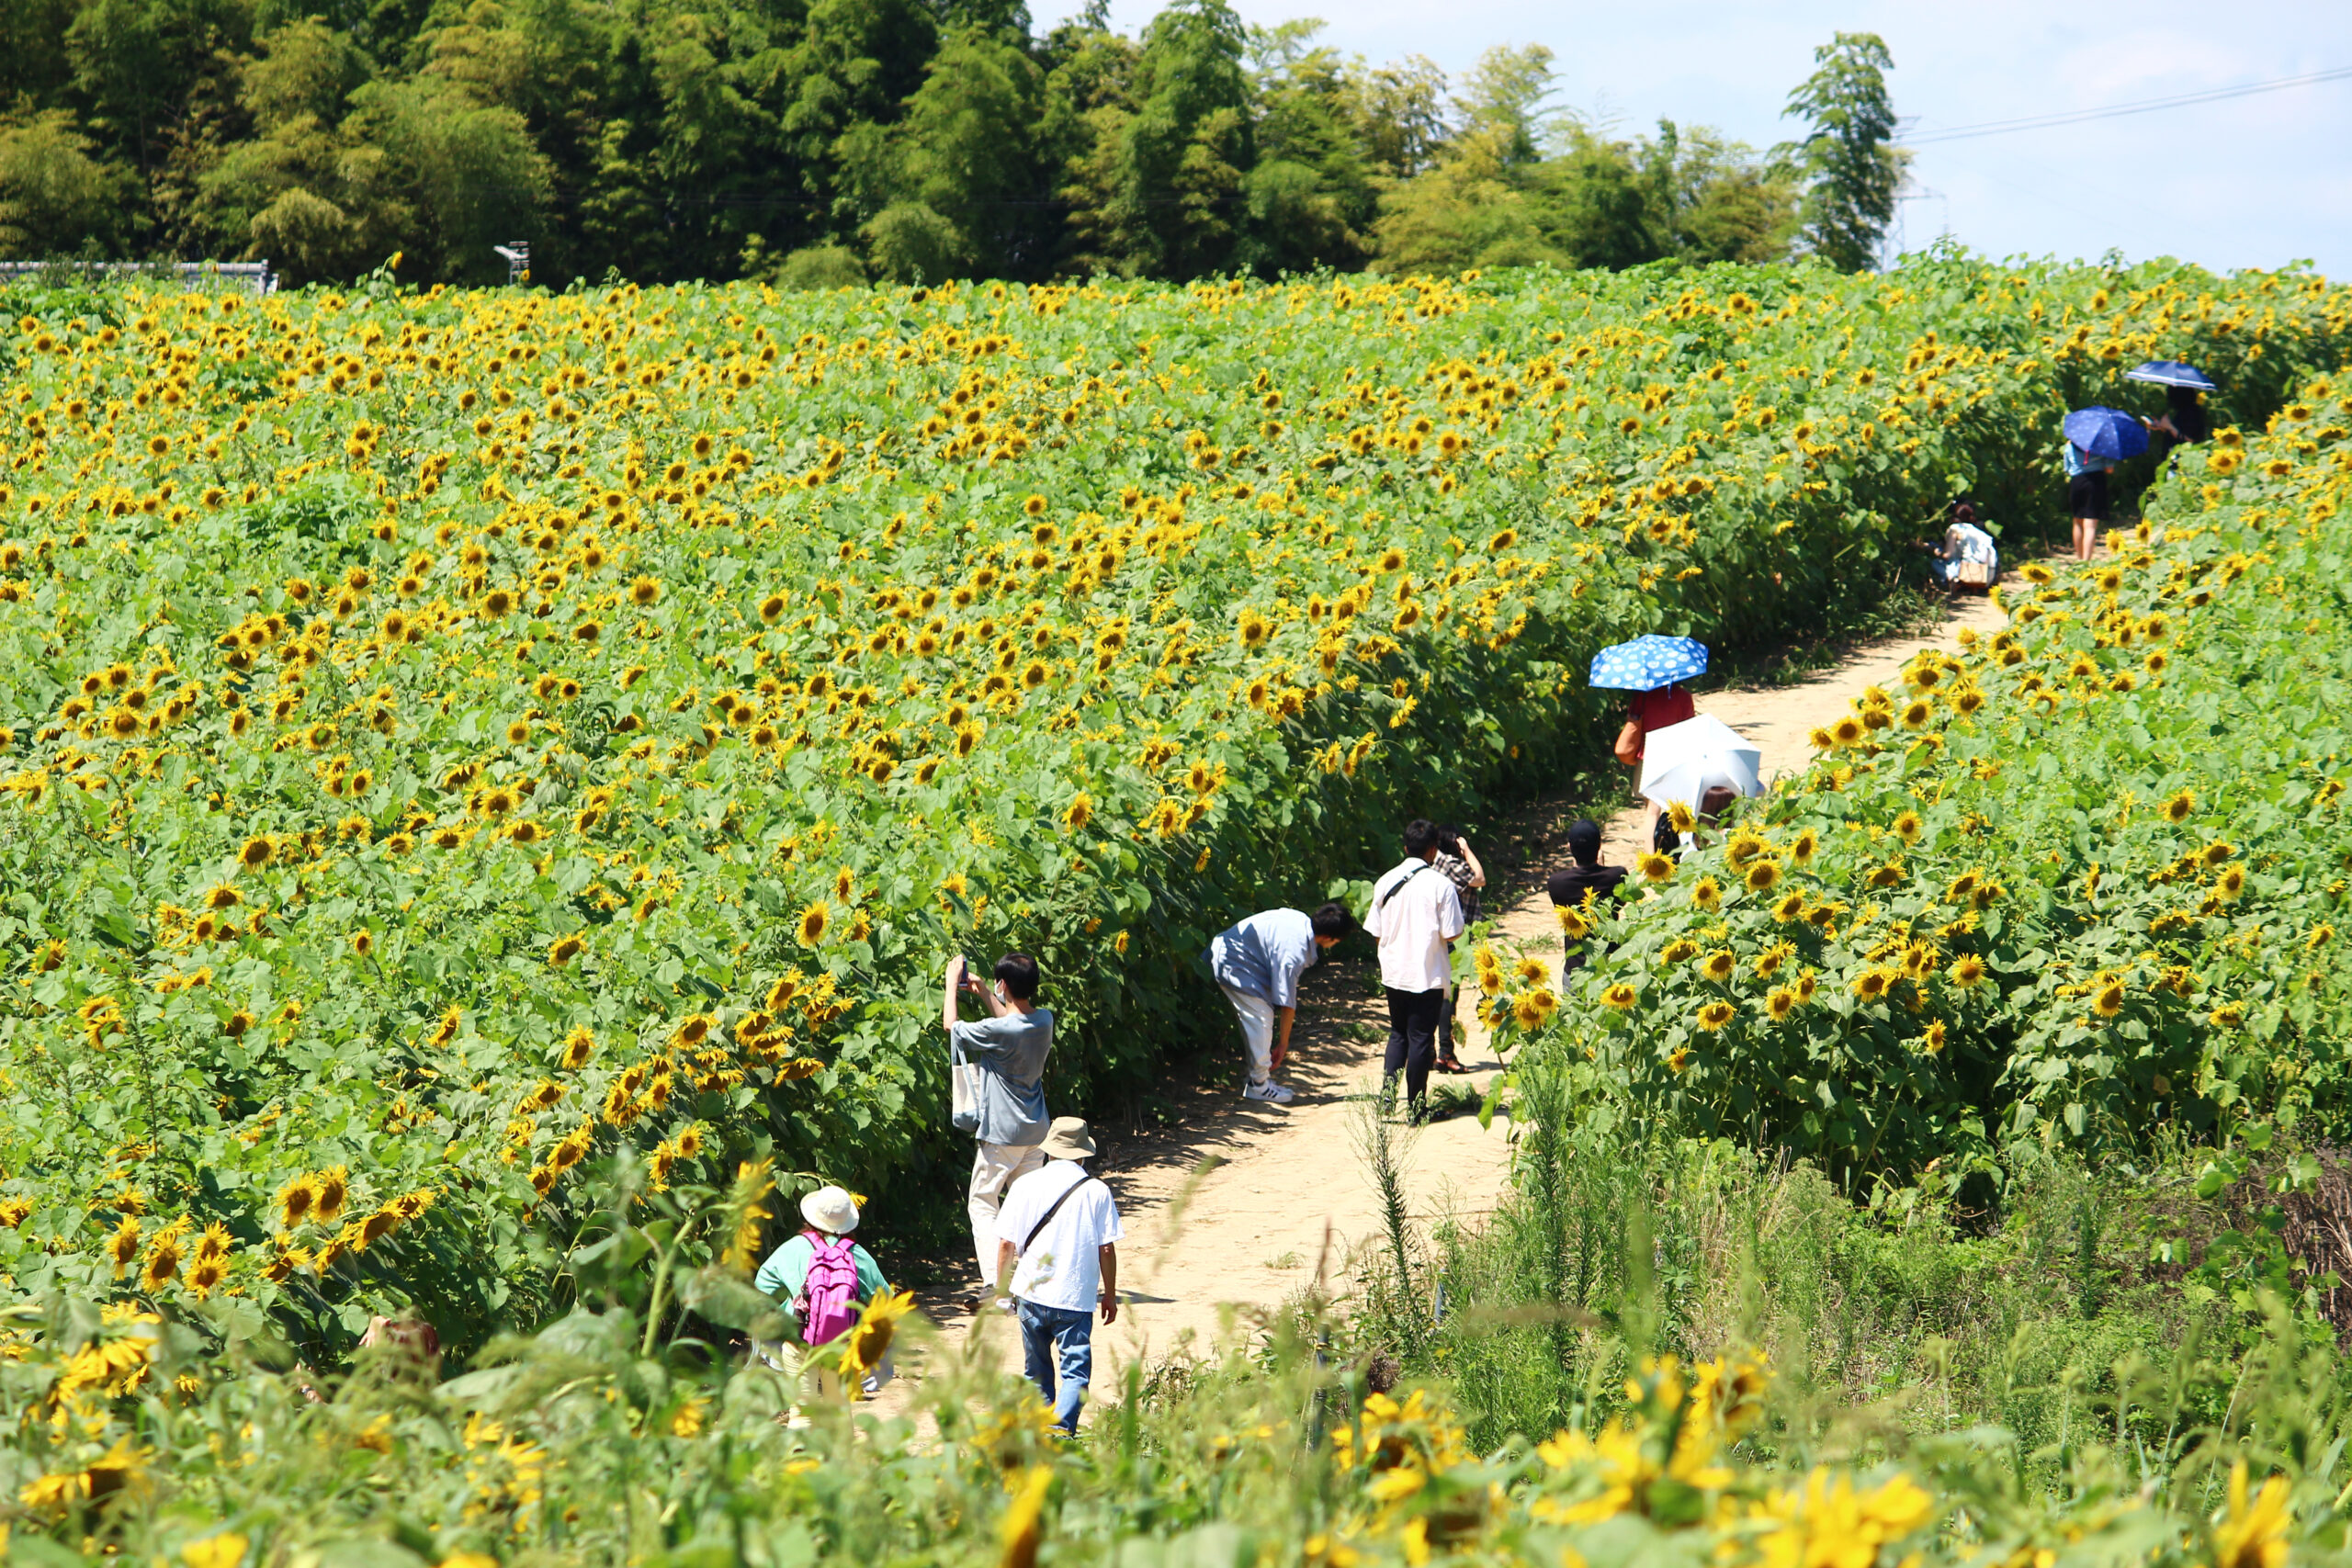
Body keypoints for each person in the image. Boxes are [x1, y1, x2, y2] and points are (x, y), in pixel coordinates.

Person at [994, 1116, 1122, 1436]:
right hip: (1074, 1297)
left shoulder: (1024, 1184)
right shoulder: (1097, 1191)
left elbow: (1006, 1243)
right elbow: (1106, 1249)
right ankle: (1060, 1429)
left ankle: (1038, 1428)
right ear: (1082, 1153)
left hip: (1030, 1293)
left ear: (1050, 1149)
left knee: (1036, 1371)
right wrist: (1109, 1294)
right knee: (1075, 1373)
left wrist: (1001, 1292)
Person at [944, 953, 1052, 1313]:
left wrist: (951, 985)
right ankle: (1037, 1280)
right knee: (1031, 1208)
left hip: (1003, 1133)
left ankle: (995, 1282)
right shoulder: (1044, 1020)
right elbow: (1012, 1018)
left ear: (1003, 984)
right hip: (1036, 1129)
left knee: (982, 1201)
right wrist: (984, 993)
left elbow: (951, 1027)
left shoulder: (999, 1031)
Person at [1365, 819, 1465, 1121]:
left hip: (1394, 972)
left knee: (1398, 1034)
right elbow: (1452, 932)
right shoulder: (1441, 885)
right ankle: (1417, 1109)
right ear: (1433, 850)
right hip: (1427, 973)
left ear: (1405, 847)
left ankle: (1387, 1099)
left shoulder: (1385, 881)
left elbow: (1376, 931)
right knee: (1421, 1038)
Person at [1205, 902, 1353, 1104]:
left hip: (1235, 954)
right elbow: (1287, 1004)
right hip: (1233, 962)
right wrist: (1283, 1044)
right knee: (1261, 1017)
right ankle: (1259, 1085)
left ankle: (1258, 1078)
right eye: (1337, 941)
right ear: (1329, 937)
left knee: (1258, 1017)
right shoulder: (1294, 952)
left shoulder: (1300, 920)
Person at [754, 1184, 893, 1395]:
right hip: (842, 1345)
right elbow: (886, 1300)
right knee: (838, 1407)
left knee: (802, 1409)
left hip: (798, 1340)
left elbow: (762, 1289)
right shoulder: (857, 1254)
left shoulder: (792, 1248)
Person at [1429, 828, 1487, 1074]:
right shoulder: (1451, 864)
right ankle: (1446, 1053)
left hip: (1433, 935)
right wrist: (1467, 850)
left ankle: (1431, 1052)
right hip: (1454, 937)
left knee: (1433, 992)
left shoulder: (1431, 864)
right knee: (1447, 996)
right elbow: (1480, 878)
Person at [1545, 819, 1625, 983]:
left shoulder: (1557, 883)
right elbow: (1621, 900)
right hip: (1608, 966)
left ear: (1569, 848)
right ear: (1599, 845)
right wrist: (1601, 866)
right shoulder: (1617, 876)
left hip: (1576, 970)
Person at [1614, 681, 1695, 844]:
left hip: (1648, 758)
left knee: (1652, 812)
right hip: (1675, 760)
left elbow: (1633, 723)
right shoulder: (1684, 697)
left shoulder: (1642, 696)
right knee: (1677, 812)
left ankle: (1652, 853)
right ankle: (1672, 848)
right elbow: (1690, 731)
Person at [2064, 438, 2117, 562]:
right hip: (2095, 481)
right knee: (2090, 525)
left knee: (2077, 521)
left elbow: (2067, 469)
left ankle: (2079, 559)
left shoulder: (2069, 445)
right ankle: (2086, 561)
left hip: (2076, 482)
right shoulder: (2102, 444)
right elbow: (2109, 469)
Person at [1928, 501, 1998, 591]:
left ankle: (1953, 579)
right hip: (1988, 574)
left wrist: (1936, 552)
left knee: (1936, 563)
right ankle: (1968, 586)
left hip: (1971, 572)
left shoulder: (1955, 529)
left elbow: (1947, 555)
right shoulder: (1975, 530)